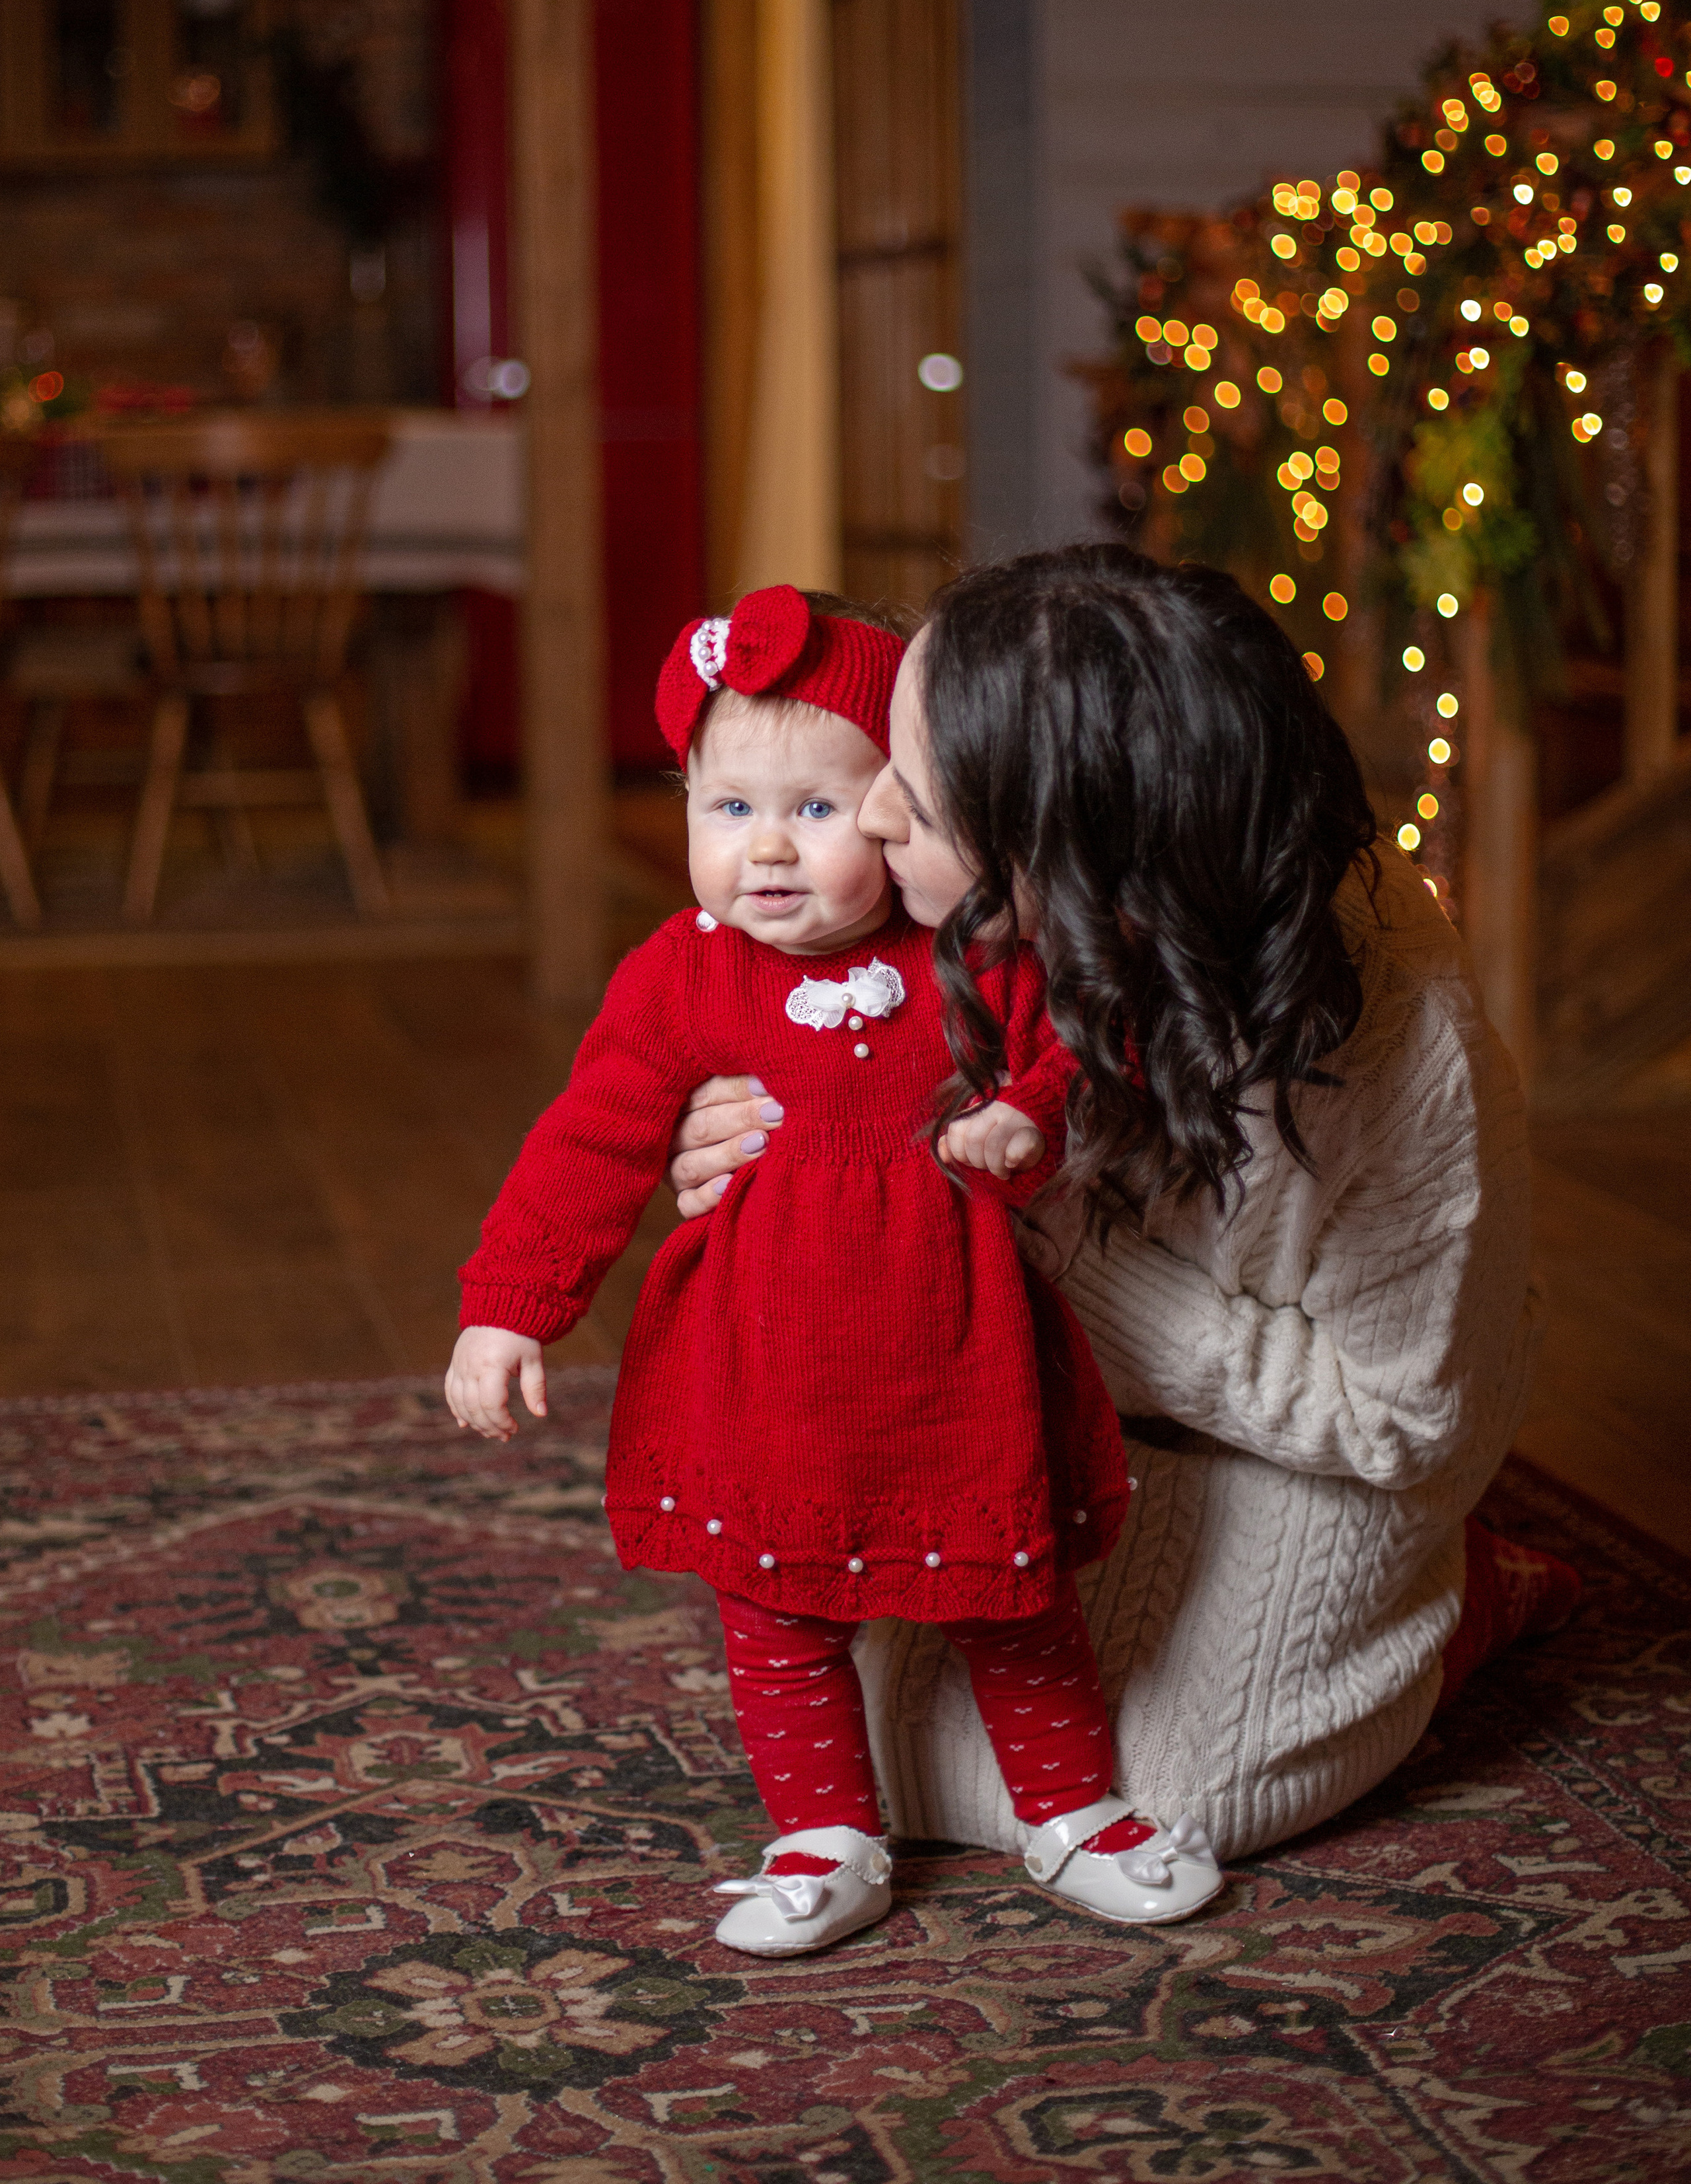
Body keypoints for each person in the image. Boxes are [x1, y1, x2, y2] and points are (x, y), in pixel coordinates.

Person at [666, 546, 1578, 1865]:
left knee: (1170, 1803)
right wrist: (756, 1141)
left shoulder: (1395, 1050)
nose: (862, 824)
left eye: (909, 809)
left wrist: (1020, 1247)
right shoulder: (965, 905)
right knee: (855, 1751)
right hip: (1020, 1382)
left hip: (1315, 1435)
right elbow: (750, 1035)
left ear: (1077, 875)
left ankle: (1464, 1594)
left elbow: (1404, 1418)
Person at [444, 583, 1225, 1956]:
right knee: (776, 1608)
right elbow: (590, 1141)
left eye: (816, 809)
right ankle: (823, 1832)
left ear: (893, 813)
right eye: (726, 808)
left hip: (956, 1344)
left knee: (1011, 1593)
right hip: (763, 1361)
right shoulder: (681, 977)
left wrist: (1022, 1115)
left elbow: (1075, 1049)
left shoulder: (967, 953)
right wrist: (509, 1311)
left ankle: (1070, 1810)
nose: (767, 852)